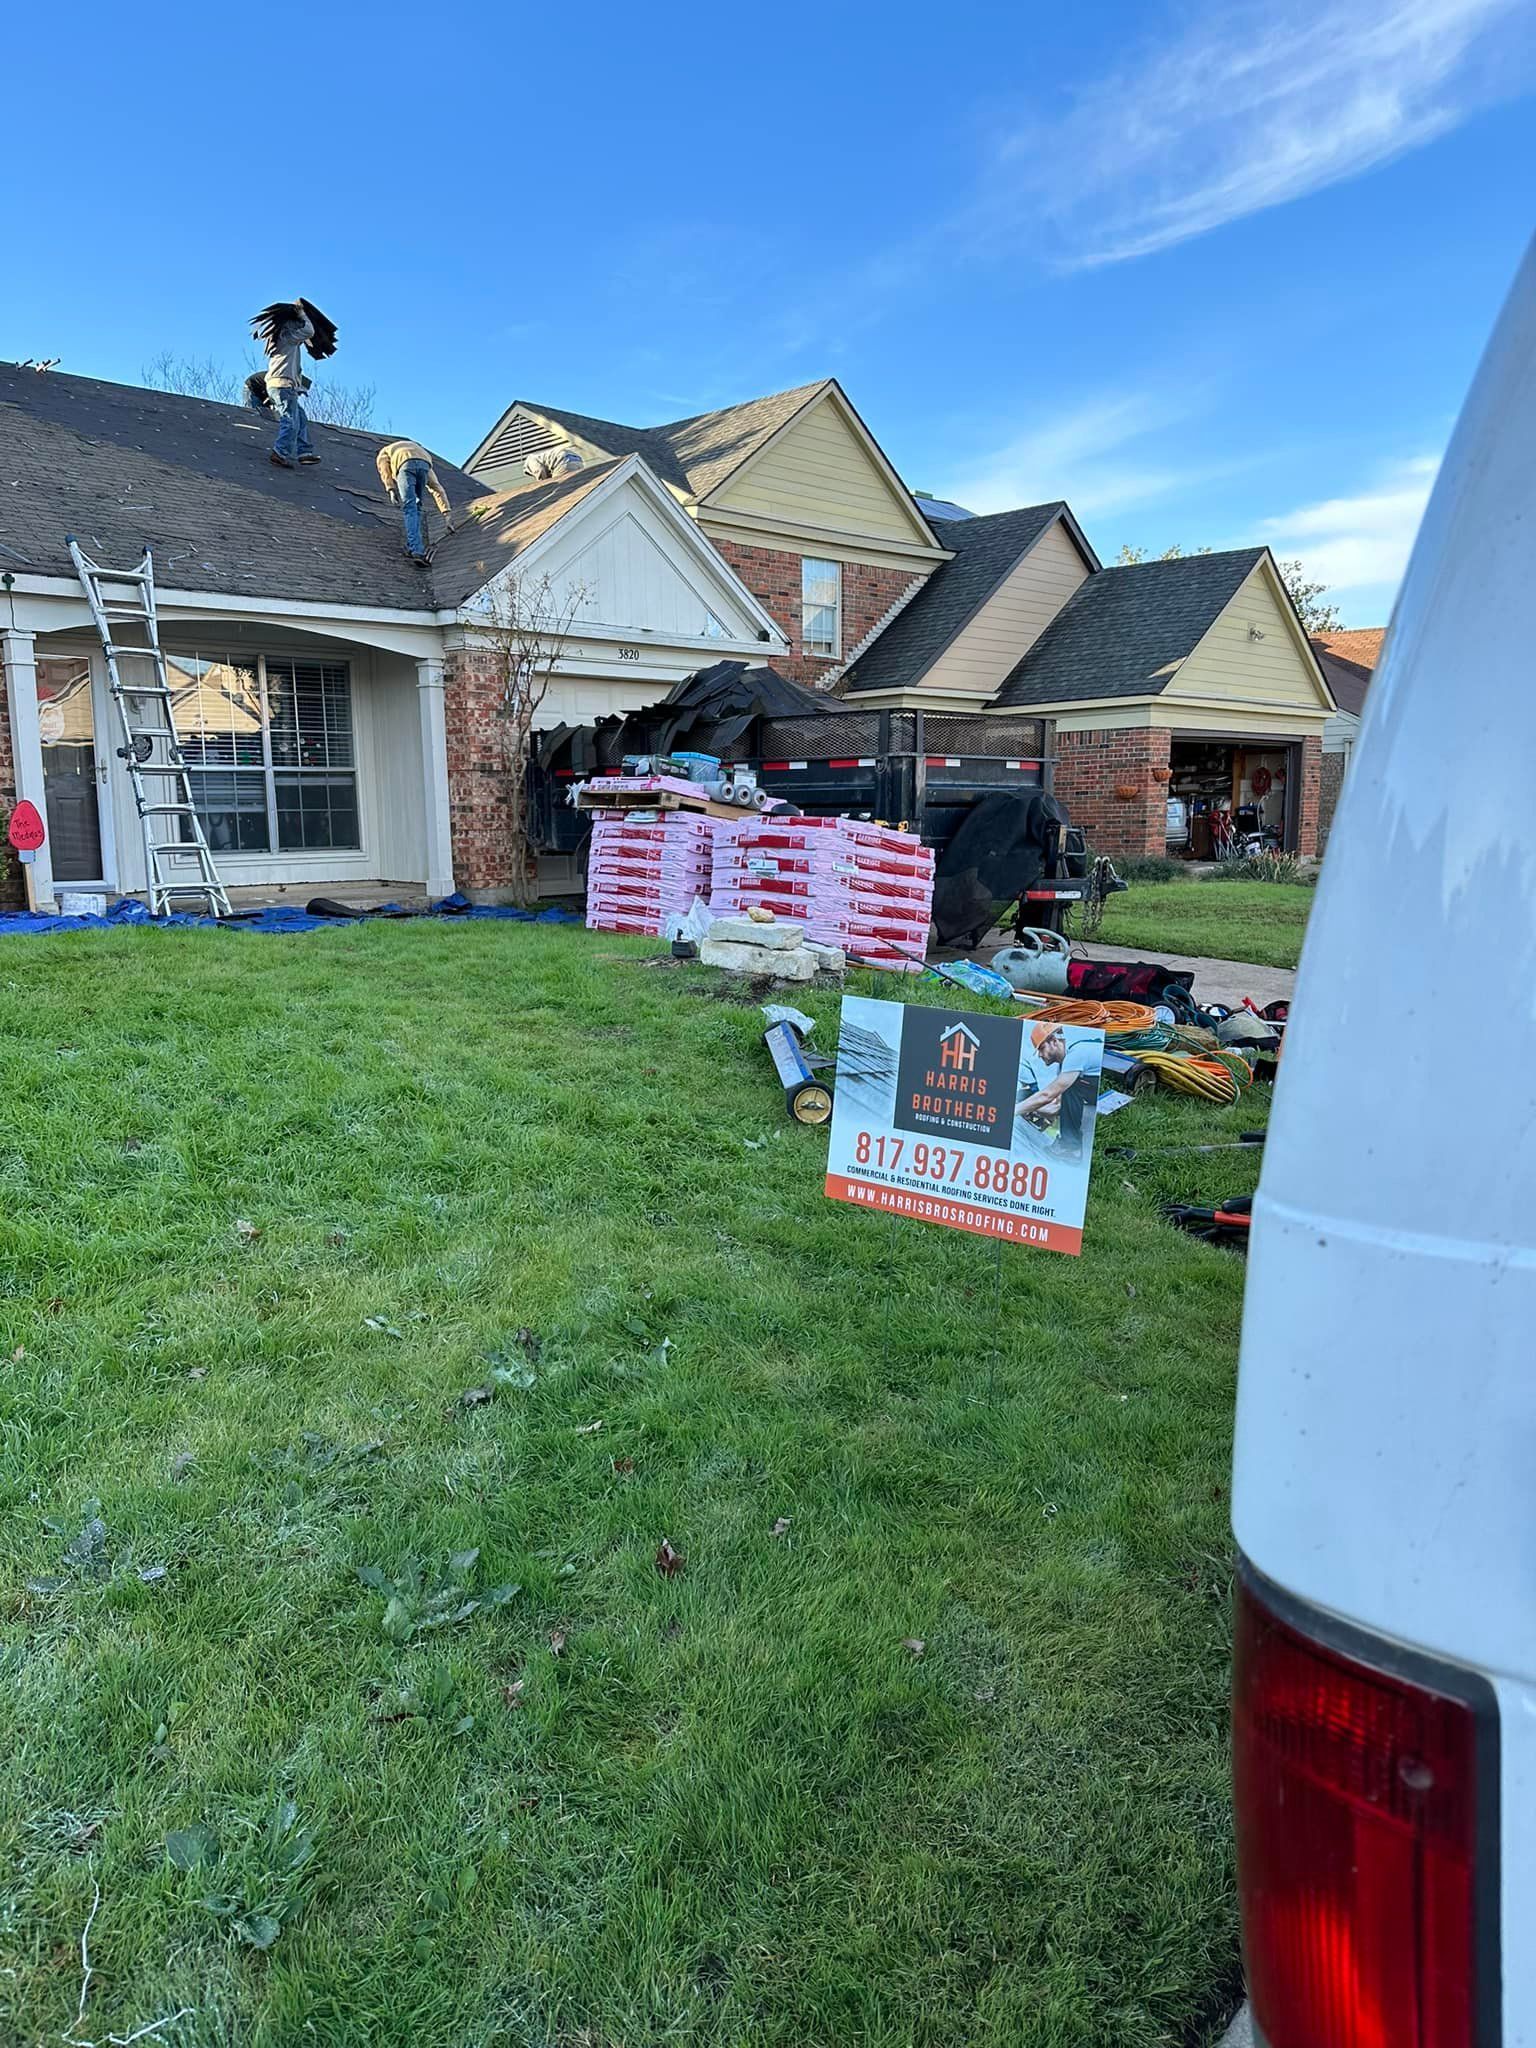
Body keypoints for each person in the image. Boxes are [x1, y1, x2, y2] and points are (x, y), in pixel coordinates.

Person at [1017, 1023, 1099, 1161]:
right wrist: (1037, 1111)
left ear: (1054, 1041)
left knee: (1070, 1087)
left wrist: (1013, 1111)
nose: (1040, 1055)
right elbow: (1057, 1105)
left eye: (1042, 1049)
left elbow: (1047, 1095)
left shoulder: (1077, 1054)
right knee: (1069, 1088)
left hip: (1100, 1090)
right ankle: (1068, 1144)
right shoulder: (1065, 1065)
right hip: (1093, 1090)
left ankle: (1071, 1149)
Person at [253, 300, 319, 468]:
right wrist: (301, 313)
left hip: (279, 385)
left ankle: (304, 452)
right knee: (290, 420)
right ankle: (280, 452)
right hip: (283, 385)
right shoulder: (288, 336)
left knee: (300, 417)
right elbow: (309, 331)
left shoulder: (279, 338)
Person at [375, 440, 454, 562]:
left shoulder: (384, 452)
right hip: (424, 464)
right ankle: (416, 544)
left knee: (409, 507)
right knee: (417, 507)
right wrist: (447, 515)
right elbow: (437, 488)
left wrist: (391, 489)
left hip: (405, 465)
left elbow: (385, 470)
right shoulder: (418, 451)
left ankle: (416, 550)